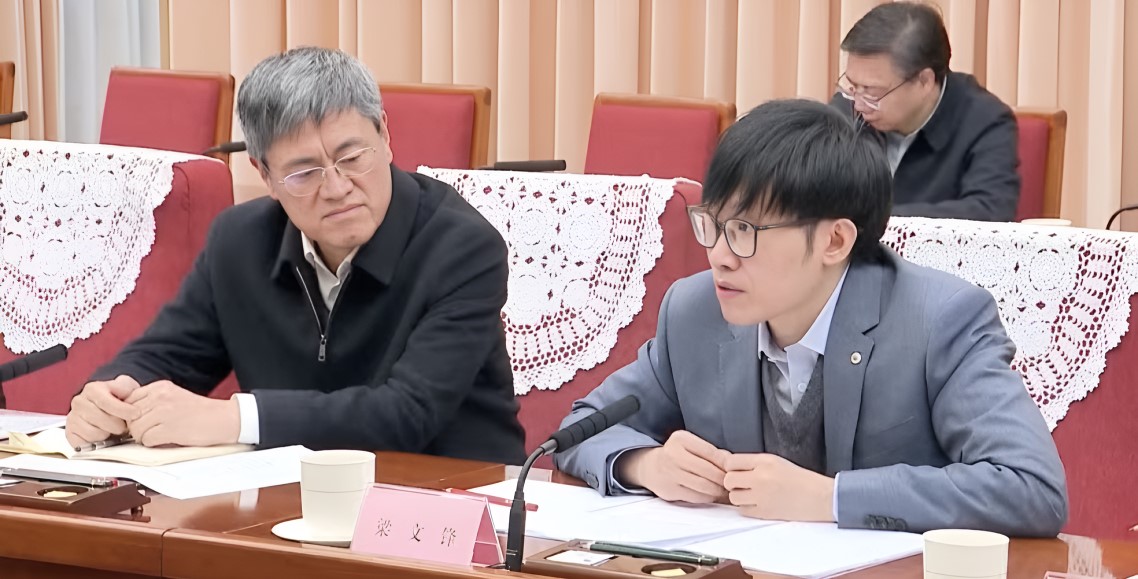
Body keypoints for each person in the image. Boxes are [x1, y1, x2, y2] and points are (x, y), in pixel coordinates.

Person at [553, 98, 1068, 536]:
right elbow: (579, 430)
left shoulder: (938, 321)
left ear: (835, 240)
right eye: (712, 224)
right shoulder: (695, 310)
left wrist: (830, 498)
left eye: (745, 231)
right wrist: (646, 464)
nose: (720, 256)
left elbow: (1030, 488)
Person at [64, 47, 526, 465]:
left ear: (385, 134)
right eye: (304, 173)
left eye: (352, 158)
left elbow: (407, 413)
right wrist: (111, 396)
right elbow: (166, 356)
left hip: (448, 501)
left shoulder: (462, 247)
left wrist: (234, 419)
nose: (337, 188)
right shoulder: (239, 241)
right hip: (285, 499)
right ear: (264, 175)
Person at [830, 1, 1020, 221]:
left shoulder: (985, 121)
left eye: (873, 91)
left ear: (924, 81)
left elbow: (989, 210)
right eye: (853, 85)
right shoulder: (846, 108)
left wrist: (874, 219)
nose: (859, 105)